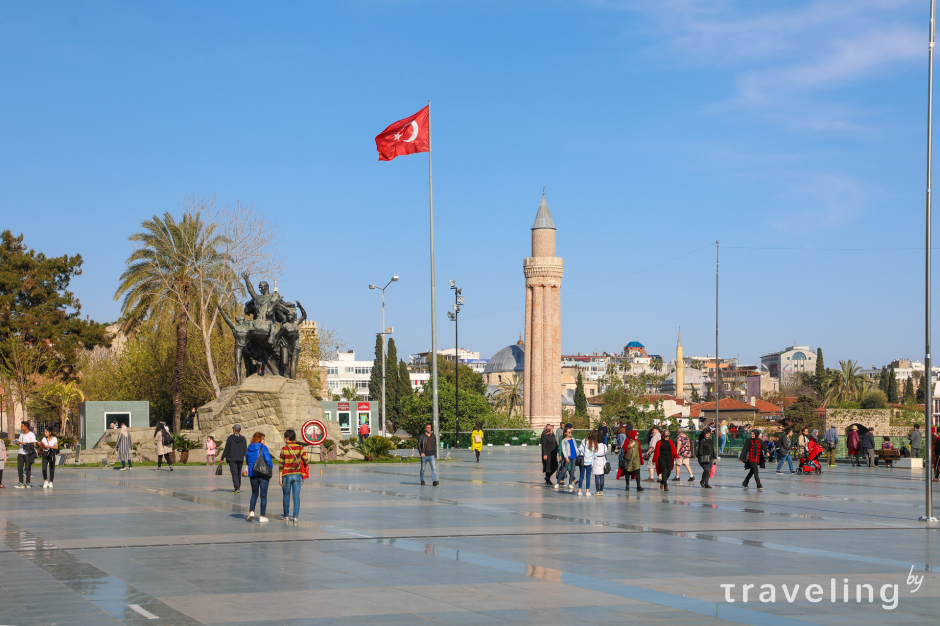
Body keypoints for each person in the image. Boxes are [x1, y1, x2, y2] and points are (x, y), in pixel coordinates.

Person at [279, 429, 307, 522]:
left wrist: (280, 478)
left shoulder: (284, 449)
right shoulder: (300, 448)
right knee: (296, 497)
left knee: (286, 496)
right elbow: (306, 460)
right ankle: (295, 517)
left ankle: (286, 516)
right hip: (297, 475)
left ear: (287, 438)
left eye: (285, 438)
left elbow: (281, 465)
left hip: (286, 475)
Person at [245, 432, 272, 523]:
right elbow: (268, 460)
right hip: (263, 474)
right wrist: (270, 469)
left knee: (254, 494)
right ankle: (262, 516)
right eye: (263, 439)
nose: (264, 440)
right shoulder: (263, 447)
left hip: (253, 474)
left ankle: (251, 512)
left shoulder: (249, 448)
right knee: (263, 496)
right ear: (260, 439)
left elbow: (248, 461)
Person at [219, 424, 248, 492]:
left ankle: (237, 487)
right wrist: (247, 459)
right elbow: (245, 450)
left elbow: (226, 449)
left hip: (232, 458)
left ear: (234, 430)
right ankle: (238, 487)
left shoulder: (230, 438)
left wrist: (222, 458)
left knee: (234, 473)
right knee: (238, 473)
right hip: (240, 458)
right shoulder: (243, 439)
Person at [14, 421, 37, 488]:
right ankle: (21, 482)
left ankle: (28, 483)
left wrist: (25, 443)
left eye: (22, 426)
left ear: (26, 427)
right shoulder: (21, 433)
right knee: (20, 468)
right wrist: (16, 442)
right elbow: (20, 442)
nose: (21, 427)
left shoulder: (31, 434)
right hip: (20, 453)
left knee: (28, 468)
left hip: (27, 453)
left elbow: (34, 444)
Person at [577, 431, 598, 496]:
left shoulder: (584, 441)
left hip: (583, 461)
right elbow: (595, 454)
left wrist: (583, 454)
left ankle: (580, 491)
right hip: (589, 462)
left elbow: (580, 449)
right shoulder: (595, 443)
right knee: (588, 477)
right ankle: (587, 491)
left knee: (581, 476)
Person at [557, 427, 577, 491]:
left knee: (572, 470)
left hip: (574, 456)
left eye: (570, 432)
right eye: (569, 432)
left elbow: (576, 447)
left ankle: (570, 483)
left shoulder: (573, 439)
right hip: (568, 457)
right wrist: (566, 457)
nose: (570, 433)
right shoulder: (564, 440)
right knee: (563, 470)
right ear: (565, 433)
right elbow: (563, 450)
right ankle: (557, 483)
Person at [592, 431, 609, 496]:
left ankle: (597, 490)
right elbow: (605, 452)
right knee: (602, 476)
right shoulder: (604, 446)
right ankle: (601, 490)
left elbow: (593, 453)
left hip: (596, 461)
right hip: (602, 461)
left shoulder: (594, 446)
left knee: (597, 477)